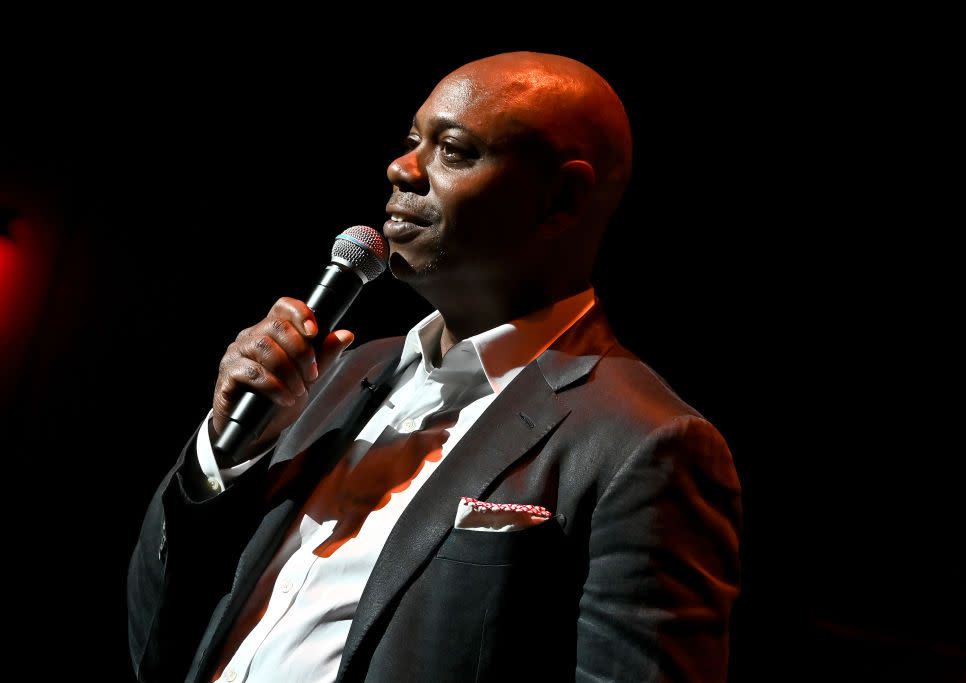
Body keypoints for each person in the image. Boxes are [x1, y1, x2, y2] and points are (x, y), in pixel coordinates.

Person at [127, 51, 742, 683]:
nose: (402, 168)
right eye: (413, 141)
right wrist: (224, 458)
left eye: (453, 149)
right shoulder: (333, 373)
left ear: (562, 198)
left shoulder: (645, 445)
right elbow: (160, 633)